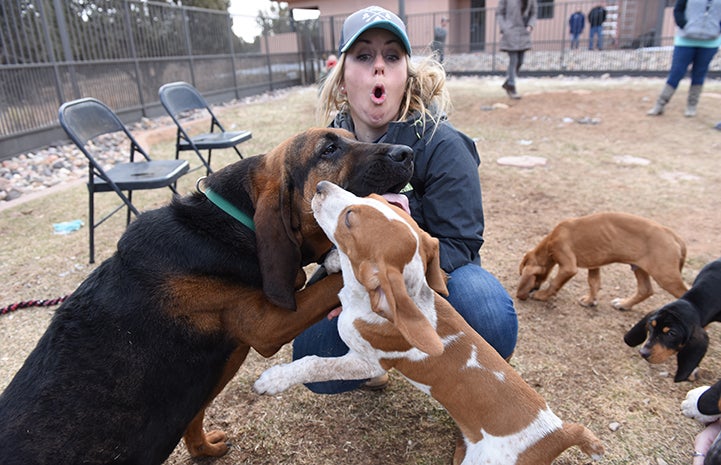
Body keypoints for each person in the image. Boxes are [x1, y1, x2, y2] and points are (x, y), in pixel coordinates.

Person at [293, 5, 518, 394]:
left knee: (488, 313)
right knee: (315, 363)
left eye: (391, 57)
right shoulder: (325, 147)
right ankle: (374, 361)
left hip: (435, 276)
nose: (378, 66)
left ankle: (470, 386)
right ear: (343, 78)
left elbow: (461, 242)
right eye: (363, 56)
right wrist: (357, 288)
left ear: (404, 76)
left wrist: (399, 274)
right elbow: (310, 234)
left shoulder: (443, 143)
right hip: (352, 276)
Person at [647, 0, 721, 117]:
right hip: (686, 40)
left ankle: (692, 106)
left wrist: (718, 28)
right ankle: (660, 104)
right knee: (677, 72)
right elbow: (678, 10)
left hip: (710, 42)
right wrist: (685, 25)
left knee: (699, 73)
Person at [496, 0, 537, 99]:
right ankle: (511, 86)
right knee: (513, 60)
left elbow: (533, 13)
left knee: (520, 61)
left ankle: (508, 82)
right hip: (510, 32)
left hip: (523, 32)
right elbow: (499, 13)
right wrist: (505, 28)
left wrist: (530, 26)